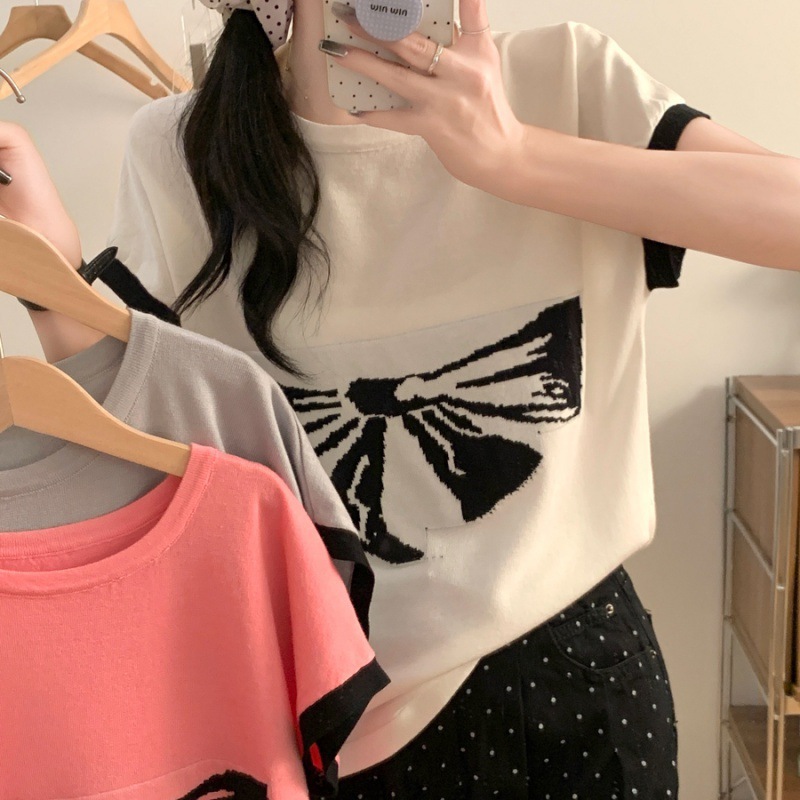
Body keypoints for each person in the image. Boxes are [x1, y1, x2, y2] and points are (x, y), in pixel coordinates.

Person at [1, 0, 798, 795]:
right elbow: (151, 447)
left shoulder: (566, 81)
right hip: (341, 709)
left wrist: (514, 156)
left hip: (577, 683)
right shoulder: (182, 150)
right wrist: (48, 274)